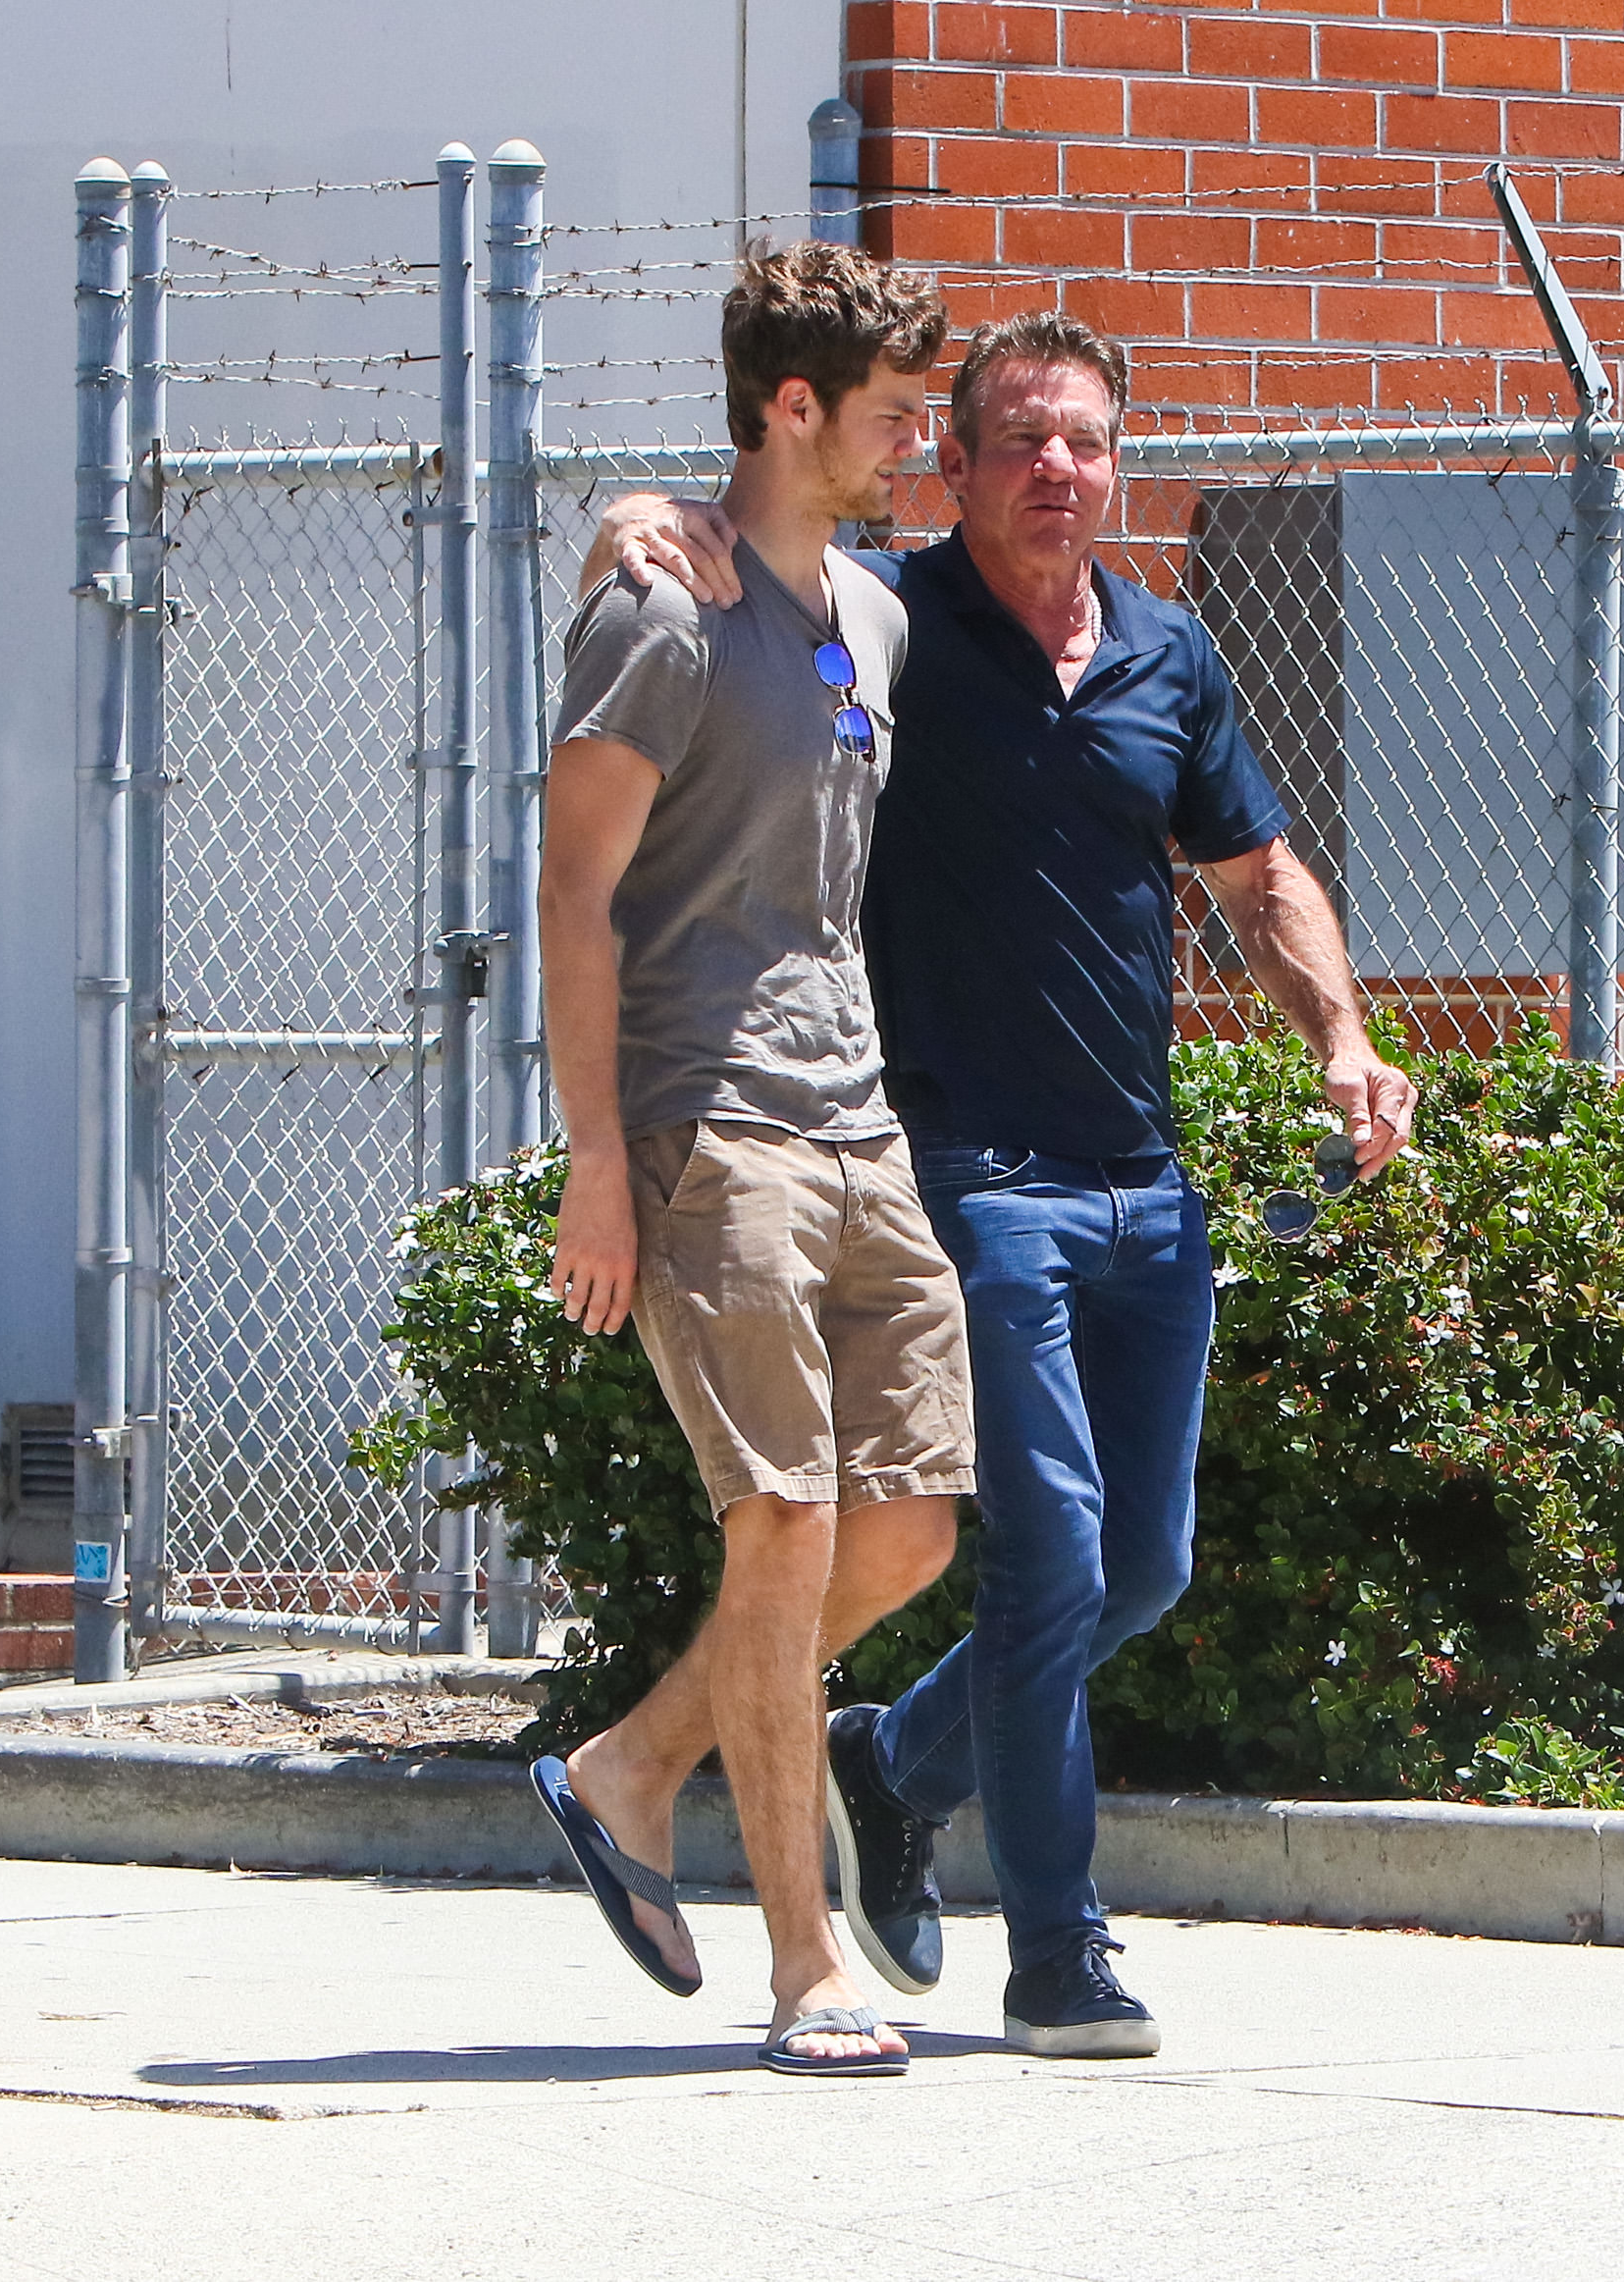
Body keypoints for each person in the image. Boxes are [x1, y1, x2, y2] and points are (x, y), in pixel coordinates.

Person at [589, 309, 1419, 2058]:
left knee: (1144, 1567)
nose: (1058, 469)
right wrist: (627, 510)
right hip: (963, 1168)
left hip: (1142, 1177)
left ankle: (891, 1759)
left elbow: (1258, 875)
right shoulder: (896, 622)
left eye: (1088, 442)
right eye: (1017, 438)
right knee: (1045, 1563)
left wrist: (1340, 1035)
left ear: (1121, 468)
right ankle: (1061, 1949)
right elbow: (742, 543)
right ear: (953, 464)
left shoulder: (1168, 655)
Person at [526, 241, 973, 2080]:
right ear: (794, 409)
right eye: (887, 411)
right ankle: (808, 1964)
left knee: (912, 1521)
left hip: (856, 1111)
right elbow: (572, 891)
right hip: (708, 1120)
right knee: (780, 1521)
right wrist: (598, 1168)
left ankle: (631, 1764)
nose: (914, 439)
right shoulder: (660, 612)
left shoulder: (867, 615)